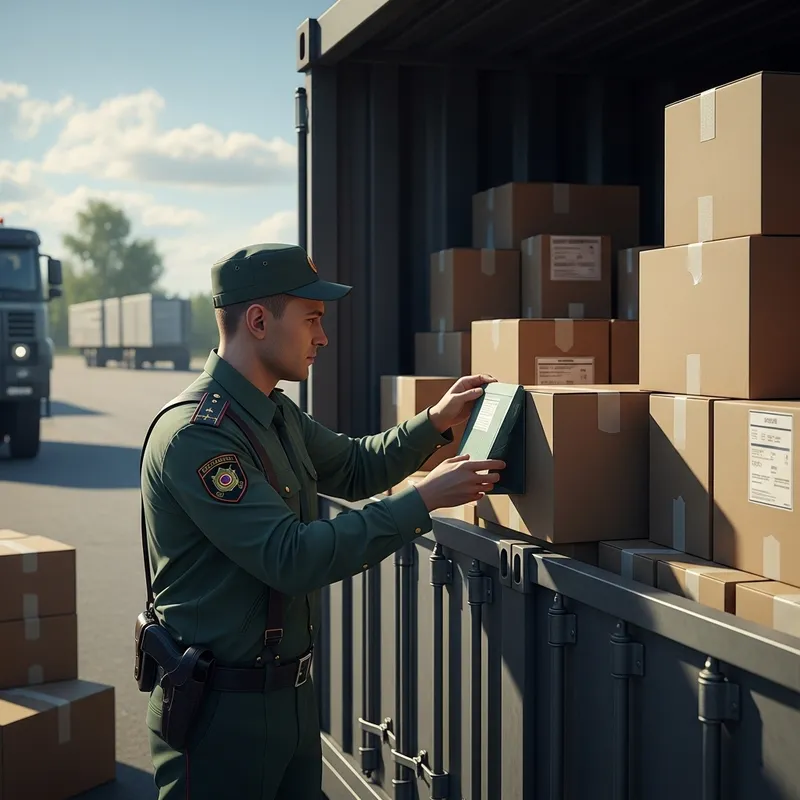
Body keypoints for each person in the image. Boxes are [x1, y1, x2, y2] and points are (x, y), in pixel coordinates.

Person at [139, 242, 505, 799]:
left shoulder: (273, 412)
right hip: (221, 715)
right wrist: (423, 499)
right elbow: (291, 557)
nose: (323, 337)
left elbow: (355, 467)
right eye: (311, 319)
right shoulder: (199, 435)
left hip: (289, 698)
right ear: (258, 321)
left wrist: (435, 421)